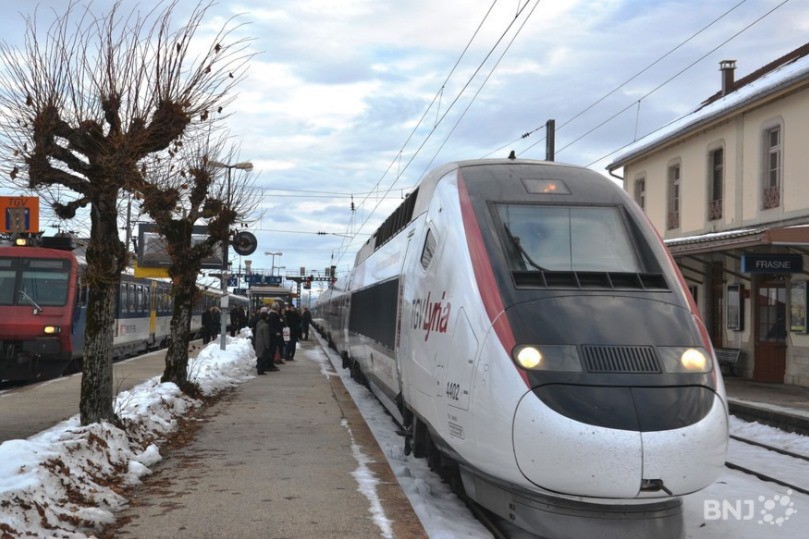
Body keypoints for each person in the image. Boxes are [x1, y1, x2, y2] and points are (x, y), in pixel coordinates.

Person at [253, 308, 279, 374]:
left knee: (259, 357)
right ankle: (261, 371)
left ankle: (259, 369)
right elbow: (266, 337)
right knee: (263, 357)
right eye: (267, 317)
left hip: (258, 342)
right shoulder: (265, 326)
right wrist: (267, 345)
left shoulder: (259, 323)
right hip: (263, 344)